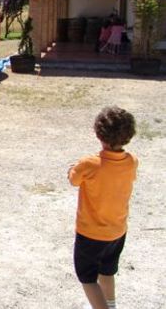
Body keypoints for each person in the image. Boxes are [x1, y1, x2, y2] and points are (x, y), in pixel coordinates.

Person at [68, 106, 138, 309]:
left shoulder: (89, 163)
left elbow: (74, 180)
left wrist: (73, 169)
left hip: (91, 234)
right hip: (117, 231)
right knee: (107, 271)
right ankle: (111, 304)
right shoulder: (132, 161)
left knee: (88, 278)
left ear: (99, 134)